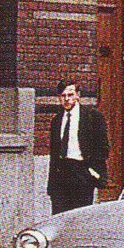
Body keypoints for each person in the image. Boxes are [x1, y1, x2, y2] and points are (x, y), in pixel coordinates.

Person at [48, 80, 109, 213]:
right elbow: (53, 154)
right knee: (60, 217)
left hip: (82, 172)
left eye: (70, 95)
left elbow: (103, 148)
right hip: (61, 174)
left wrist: (91, 172)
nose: (67, 99)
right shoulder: (57, 121)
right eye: (63, 96)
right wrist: (51, 185)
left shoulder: (93, 117)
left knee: (80, 216)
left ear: (77, 95)